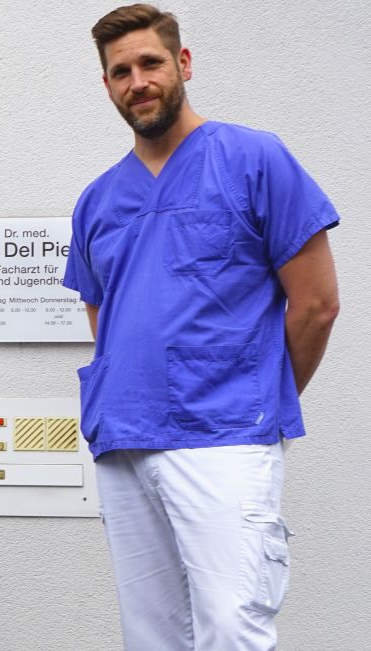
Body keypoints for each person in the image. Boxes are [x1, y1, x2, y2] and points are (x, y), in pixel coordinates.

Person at [63, 5, 340, 649]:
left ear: (182, 64)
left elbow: (317, 304)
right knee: (152, 636)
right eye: (120, 71)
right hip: (126, 439)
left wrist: (257, 394)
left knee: (230, 628)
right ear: (107, 85)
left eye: (151, 63)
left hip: (224, 436)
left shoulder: (253, 158)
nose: (138, 81)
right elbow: (103, 320)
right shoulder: (98, 200)